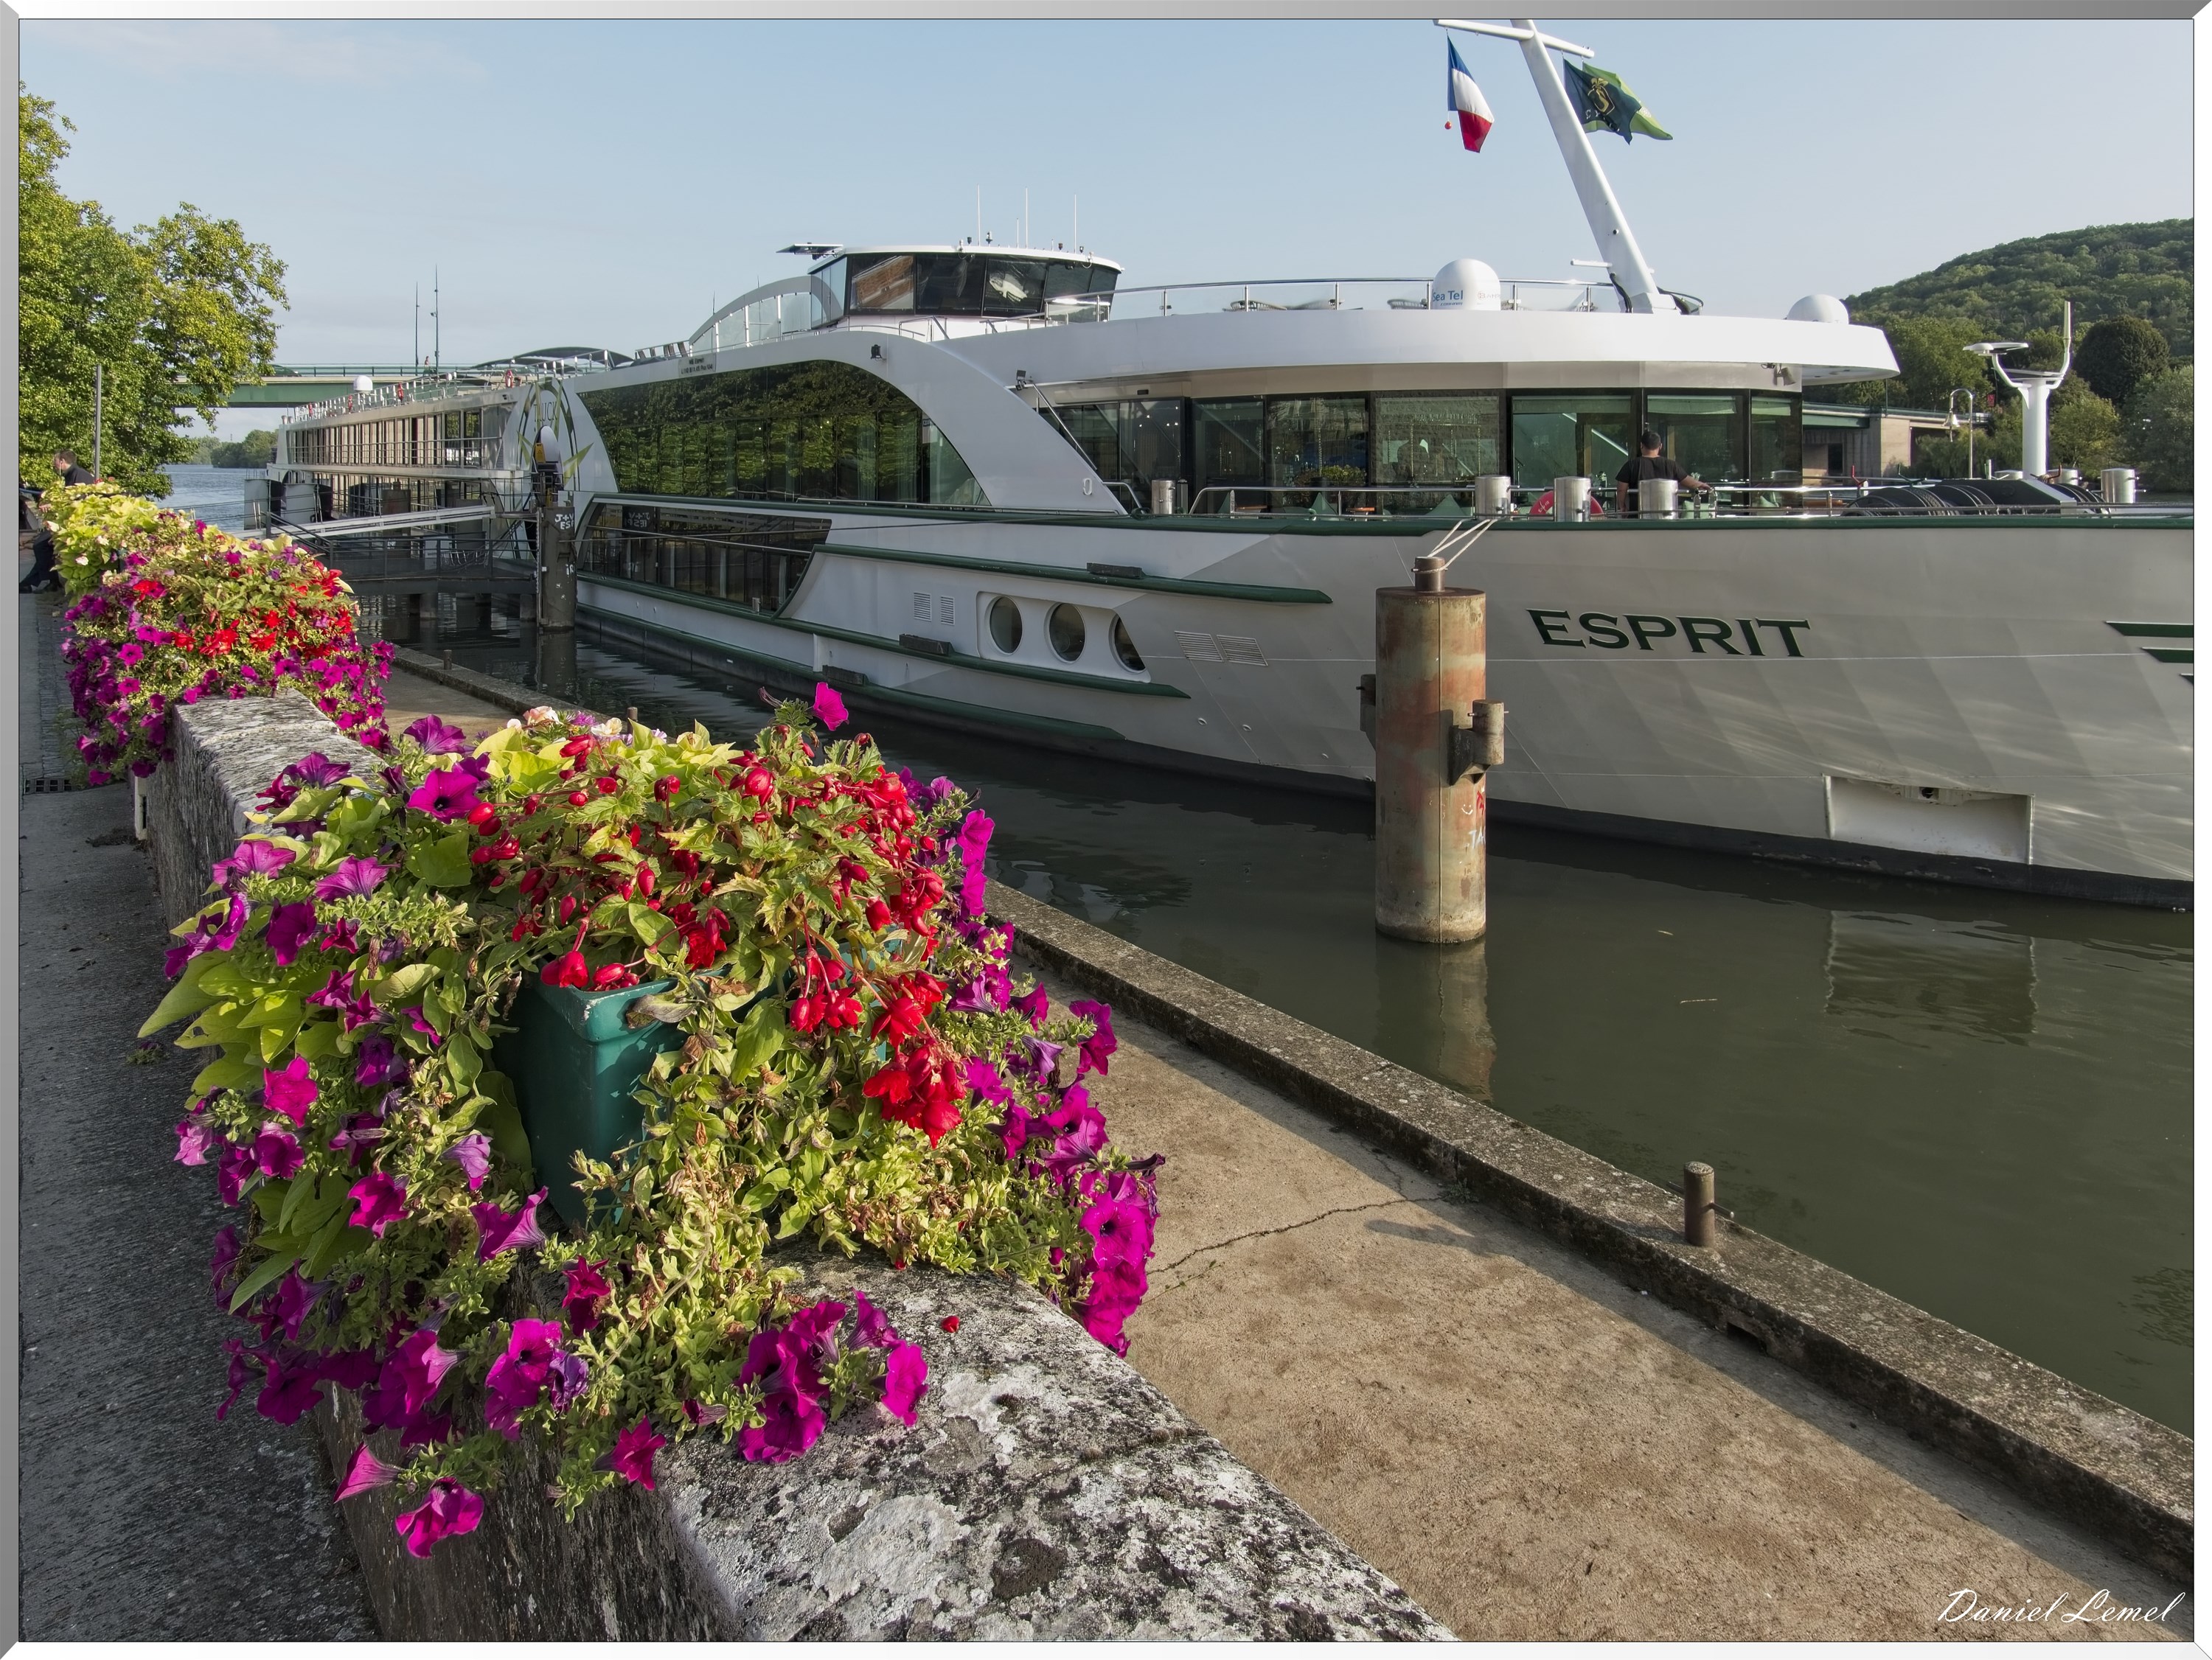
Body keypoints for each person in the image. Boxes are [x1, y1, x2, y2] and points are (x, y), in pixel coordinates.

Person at [1614, 430, 1708, 517]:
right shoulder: (1671, 465)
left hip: (1638, 517)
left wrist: (1622, 507)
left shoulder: (1631, 465)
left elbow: (1621, 489)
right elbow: (1689, 482)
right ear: (1660, 446)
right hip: (1667, 517)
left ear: (1641, 445)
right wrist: (1702, 485)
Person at [18, 483, 58, 592]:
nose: (54, 465)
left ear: (61, 463)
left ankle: (42, 582)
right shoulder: (75, 475)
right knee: (42, 546)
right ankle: (31, 583)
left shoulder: (77, 475)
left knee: (41, 546)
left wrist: (52, 505)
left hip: (67, 523)